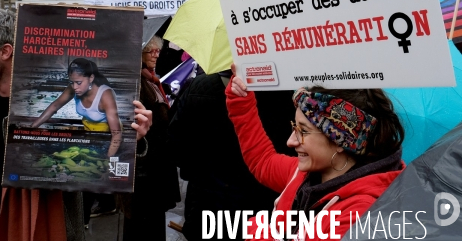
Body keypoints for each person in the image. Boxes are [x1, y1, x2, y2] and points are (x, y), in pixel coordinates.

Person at [0, 9, 152, 241]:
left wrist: (133, 141)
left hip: (43, 226)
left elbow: (106, 156)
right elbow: (51, 108)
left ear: (5, 52)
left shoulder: (100, 97)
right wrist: (33, 124)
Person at [227, 64, 405, 239]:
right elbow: (263, 161)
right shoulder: (308, 174)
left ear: (340, 140)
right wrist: (240, 101)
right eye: (294, 127)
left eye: (303, 131)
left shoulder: (360, 215)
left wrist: (261, 231)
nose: (291, 141)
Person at [168, 69, 296, 240]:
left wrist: (198, 174)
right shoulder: (283, 92)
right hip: (259, 203)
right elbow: (290, 151)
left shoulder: (198, 86)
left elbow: (177, 146)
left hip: (206, 201)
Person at [118, 35, 181, 241]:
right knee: (144, 228)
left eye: (158, 51)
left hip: (156, 167)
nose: (156, 55)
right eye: (151, 51)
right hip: (144, 173)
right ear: (139, 54)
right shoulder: (135, 82)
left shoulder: (151, 79)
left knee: (154, 225)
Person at [31, 58, 122, 156]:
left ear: (91, 78)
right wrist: (32, 128)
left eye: (79, 83)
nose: (74, 87)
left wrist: (107, 161)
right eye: (72, 82)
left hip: (108, 140)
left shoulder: (105, 95)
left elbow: (117, 135)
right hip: (89, 136)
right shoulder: (74, 87)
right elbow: (55, 105)